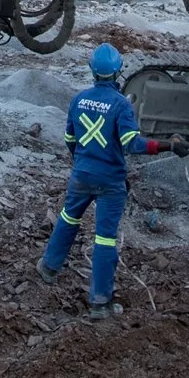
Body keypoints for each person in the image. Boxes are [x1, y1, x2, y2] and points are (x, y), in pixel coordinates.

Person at [37, 43, 164, 318]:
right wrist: (164, 145)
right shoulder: (121, 105)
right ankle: (100, 302)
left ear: (92, 70)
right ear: (118, 71)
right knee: (105, 239)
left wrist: (81, 162)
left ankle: (48, 267)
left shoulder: (79, 100)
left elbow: (70, 139)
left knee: (69, 218)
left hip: (82, 175)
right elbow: (132, 144)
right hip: (110, 182)